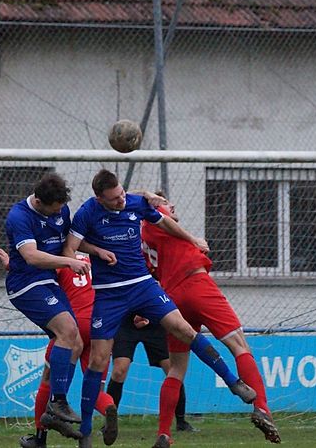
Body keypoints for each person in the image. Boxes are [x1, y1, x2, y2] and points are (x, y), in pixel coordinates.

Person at [63, 169, 256, 448]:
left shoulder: (134, 202)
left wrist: (191, 239)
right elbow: (70, 247)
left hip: (143, 286)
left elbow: (164, 222)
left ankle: (233, 382)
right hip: (109, 294)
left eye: (122, 194)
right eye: (114, 199)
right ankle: (85, 432)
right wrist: (95, 252)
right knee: (98, 361)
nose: (121, 201)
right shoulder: (87, 212)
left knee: (184, 330)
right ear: (99, 198)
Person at [141, 193, 280, 447]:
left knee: (176, 368)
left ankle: (164, 433)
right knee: (239, 345)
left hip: (172, 299)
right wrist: (150, 197)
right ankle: (262, 408)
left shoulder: (145, 241)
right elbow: (141, 199)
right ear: (154, 206)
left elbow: (148, 275)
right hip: (196, 284)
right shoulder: (153, 218)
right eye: (165, 202)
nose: (171, 205)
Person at [3, 173, 116, 442]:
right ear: (39, 202)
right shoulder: (19, 216)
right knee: (68, 331)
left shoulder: (61, 210)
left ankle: (48, 423)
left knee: (72, 339)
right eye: (53, 210)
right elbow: (31, 256)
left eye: (60, 209)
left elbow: (69, 243)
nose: (58, 214)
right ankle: (58, 403)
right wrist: (69, 262)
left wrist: (95, 251)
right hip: (26, 284)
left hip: (49, 283)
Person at [0, 248, 119, 448]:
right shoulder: (93, 262)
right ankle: (107, 410)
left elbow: (36, 270)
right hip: (99, 326)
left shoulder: (60, 261)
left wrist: (11, 264)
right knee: (95, 388)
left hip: (72, 325)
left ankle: (40, 437)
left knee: (48, 379)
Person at [107, 312, 195, 433]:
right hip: (126, 324)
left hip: (155, 323)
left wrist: (147, 313)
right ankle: (109, 424)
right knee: (119, 371)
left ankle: (181, 422)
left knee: (173, 370)